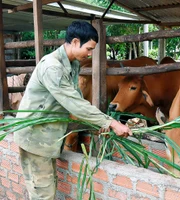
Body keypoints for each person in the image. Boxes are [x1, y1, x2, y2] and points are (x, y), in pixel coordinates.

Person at [13, 21, 132, 200]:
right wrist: (111, 122)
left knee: (47, 188)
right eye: (89, 49)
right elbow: (74, 103)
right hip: (35, 139)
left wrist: (96, 124)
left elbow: (76, 100)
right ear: (75, 42)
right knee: (43, 194)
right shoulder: (53, 67)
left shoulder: (73, 64)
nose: (90, 53)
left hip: (48, 138)